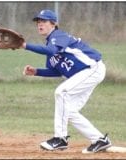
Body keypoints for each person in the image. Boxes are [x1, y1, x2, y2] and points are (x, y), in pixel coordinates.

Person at [21, 10, 111, 153]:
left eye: (44, 21)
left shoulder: (59, 36)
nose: (40, 24)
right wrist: (36, 72)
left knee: (61, 93)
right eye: (38, 22)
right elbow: (56, 71)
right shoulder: (51, 46)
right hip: (85, 74)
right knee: (68, 111)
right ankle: (99, 140)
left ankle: (60, 139)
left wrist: (25, 45)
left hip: (93, 68)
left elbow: (50, 50)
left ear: (54, 24)